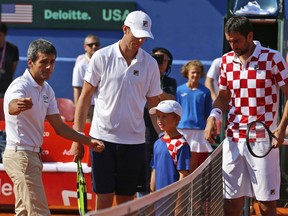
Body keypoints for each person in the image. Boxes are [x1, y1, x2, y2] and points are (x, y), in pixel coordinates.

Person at [70, 10, 162, 210]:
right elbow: (84, 98)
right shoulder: (101, 57)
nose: (140, 40)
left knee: (126, 201)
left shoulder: (151, 64)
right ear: (124, 29)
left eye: (144, 37)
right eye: (136, 35)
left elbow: (153, 106)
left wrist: (165, 137)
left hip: (135, 141)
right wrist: (78, 138)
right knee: (104, 198)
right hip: (101, 140)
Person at [2, 39, 105, 216]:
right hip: (21, 157)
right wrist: (17, 105)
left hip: (31, 156)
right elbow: (12, 106)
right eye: (43, 62)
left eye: (52, 62)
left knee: (25, 211)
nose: (49, 67)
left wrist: (87, 141)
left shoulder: (47, 90)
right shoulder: (20, 86)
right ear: (30, 62)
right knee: (39, 212)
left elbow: (60, 127)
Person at [204, 16, 288, 216]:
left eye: (237, 41)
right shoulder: (225, 61)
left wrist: (282, 128)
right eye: (229, 41)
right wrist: (212, 116)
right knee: (231, 204)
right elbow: (223, 96)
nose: (233, 46)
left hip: (263, 141)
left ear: (250, 36)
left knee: (267, 205)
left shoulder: (273, 58)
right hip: (233, 140)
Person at [140, 47, 177, 196]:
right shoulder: (142, 76)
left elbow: (172, 100)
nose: (160, 62)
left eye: (164, 60)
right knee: (142, 168)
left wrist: (155, 86)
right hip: (143, 129)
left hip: (162, 131)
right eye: (157, 58)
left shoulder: (169, 81)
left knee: (159, 168)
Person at [177, 60, 213, 173]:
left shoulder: (205, 92)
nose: (195, 75)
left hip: (198, 131)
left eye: (198, 73)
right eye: (193, 72)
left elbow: (208, 113)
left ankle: (191, 190)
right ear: (187, 73)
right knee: (180, 161)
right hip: (182, 129)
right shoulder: (179, 90)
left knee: (193, 164)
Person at [149, 100, 190, 192]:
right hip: (158, 201)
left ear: (177, 119)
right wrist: (152, 196)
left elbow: (183, 176)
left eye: (164, 117)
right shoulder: (157, 143)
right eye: (158, 116)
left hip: (173, 201)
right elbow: (154, 171)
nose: (160, 120)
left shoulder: (180, 144)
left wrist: (179, 204)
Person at [72, 34, 101, 122]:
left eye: (96, 44)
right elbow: (77, 90)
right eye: (90, 45)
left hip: (102, 107)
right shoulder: (81, 66)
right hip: (88, 109)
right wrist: (79, 112)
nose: (94, 47)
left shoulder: (104, 63)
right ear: (85, 47)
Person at [0, 22, 19, 98]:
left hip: (6, 88)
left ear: (5, 34)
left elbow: (13, 69)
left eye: (0, 35)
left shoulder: (13, 49)